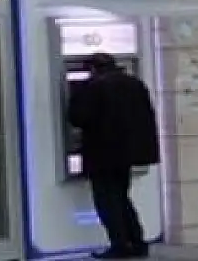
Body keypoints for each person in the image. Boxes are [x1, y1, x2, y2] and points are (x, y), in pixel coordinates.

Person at [68, 52, 160, 259]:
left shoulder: (93, 87)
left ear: (93, 68)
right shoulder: (134, 83)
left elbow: (77, 117)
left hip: (102, 154)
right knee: (121, 197)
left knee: (107, 201)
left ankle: (119, 245)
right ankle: (137, 242)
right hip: (127, 154)